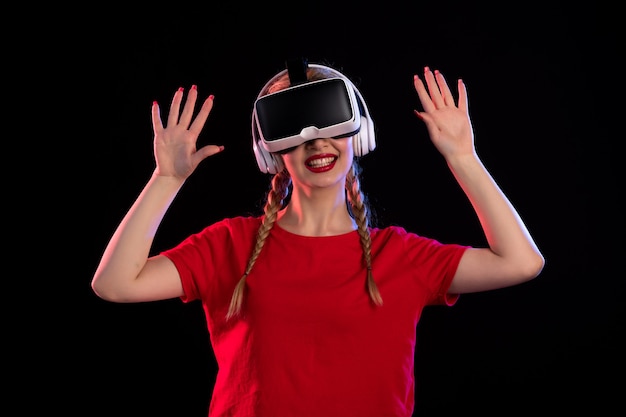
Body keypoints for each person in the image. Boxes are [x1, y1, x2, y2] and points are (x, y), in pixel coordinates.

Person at [92, 59, 545, 416]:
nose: (316, 142)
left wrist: (464, 159)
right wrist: (166, 179)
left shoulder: (401, 256)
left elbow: (521, 262)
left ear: (359, 133)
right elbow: (115, 284)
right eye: (293, 127)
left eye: (329, 121)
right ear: (270, 151)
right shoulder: (230, 245)